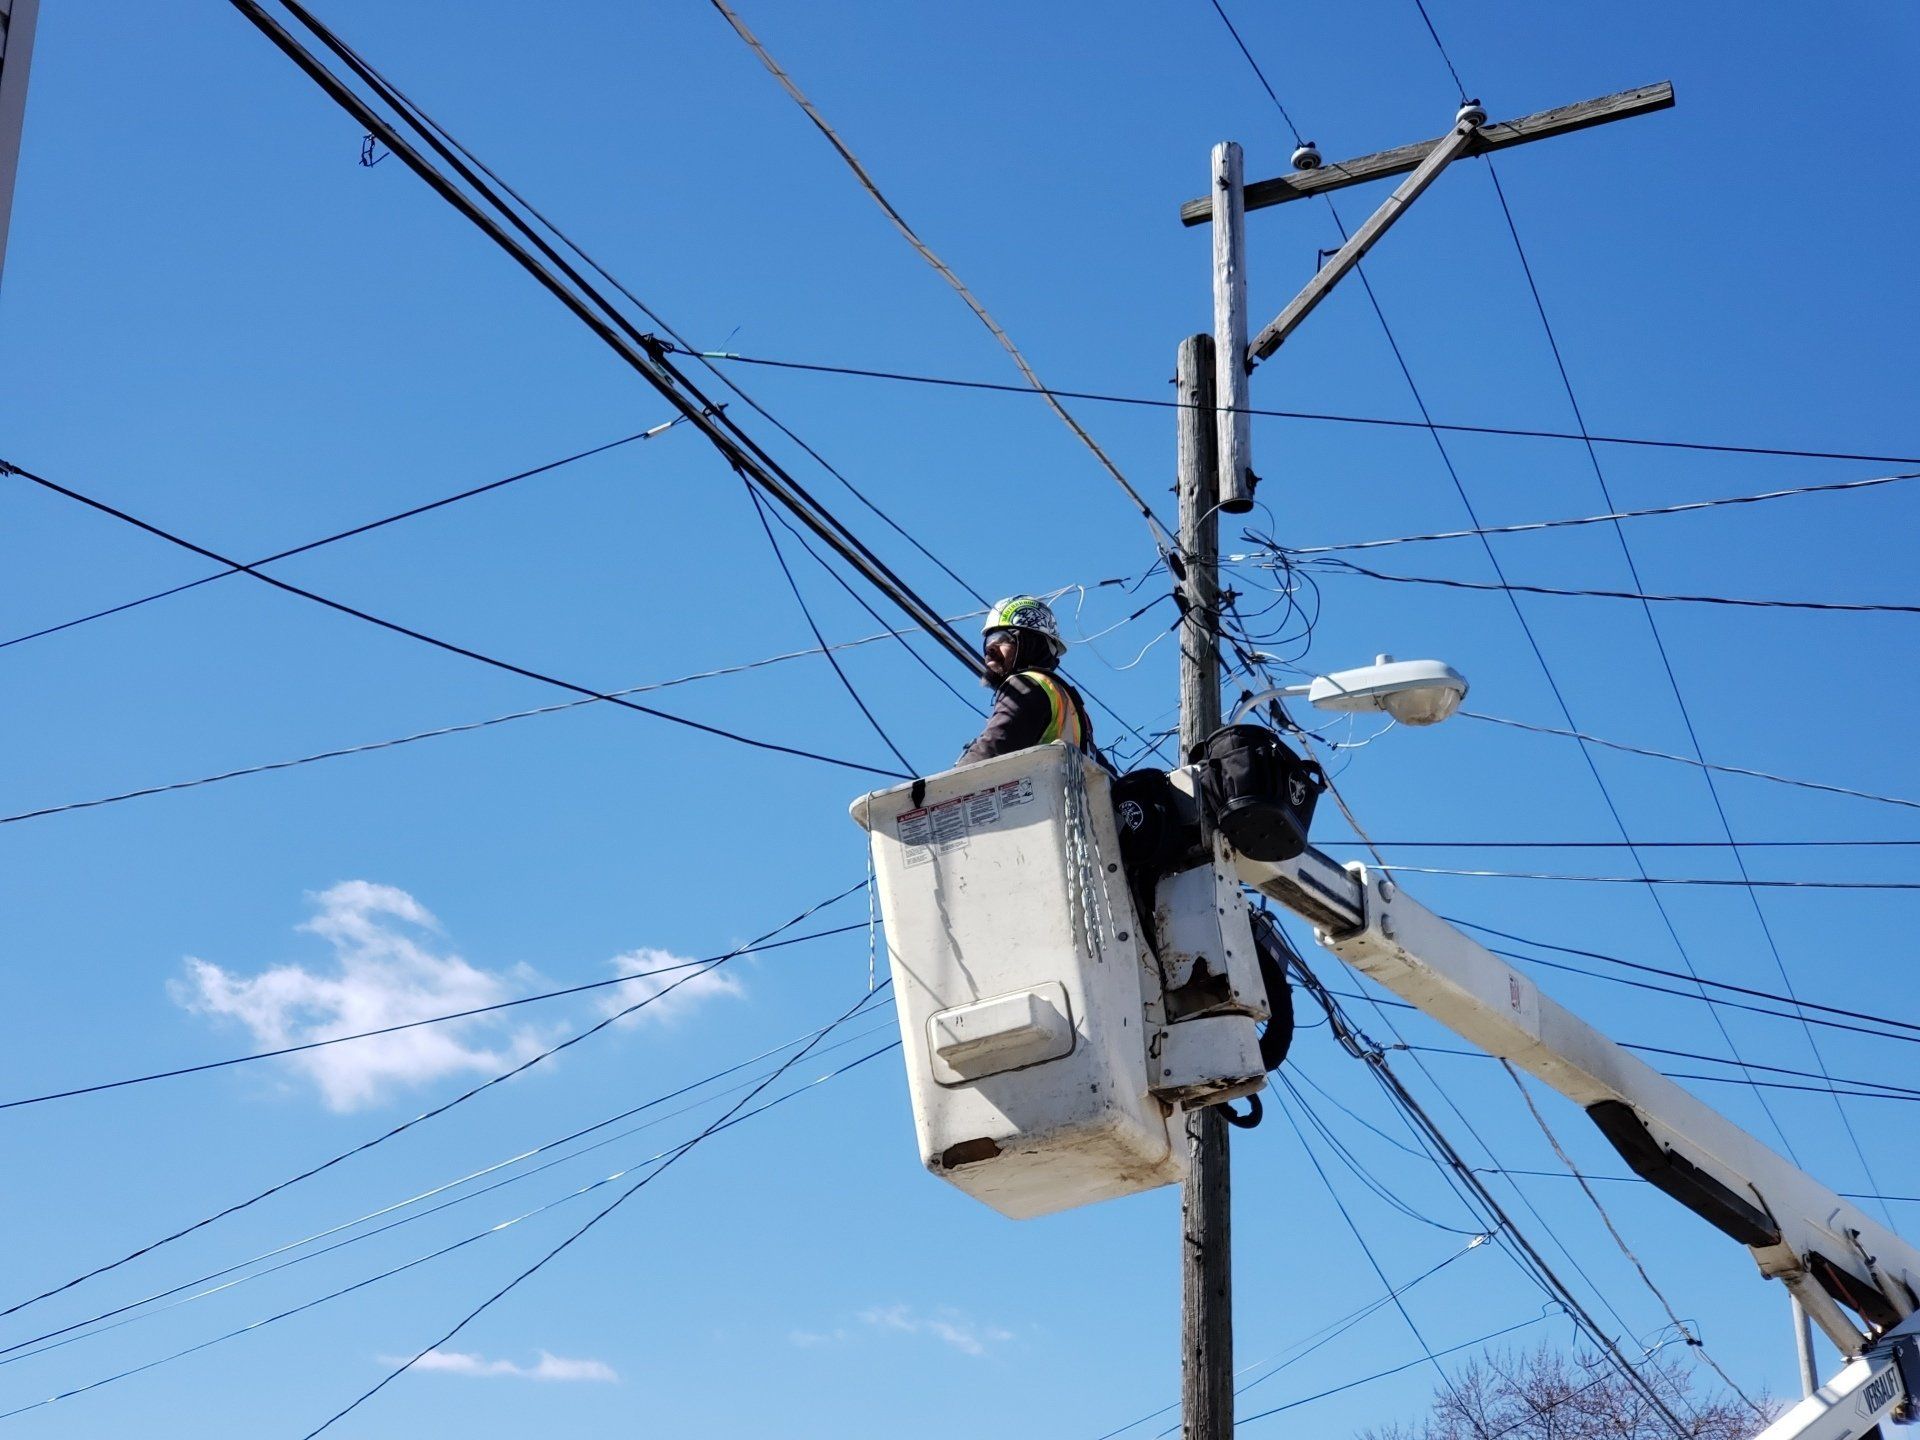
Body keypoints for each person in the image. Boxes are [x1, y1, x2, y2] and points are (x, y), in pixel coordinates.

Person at [955, 595, 1095, 766]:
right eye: (988, 641)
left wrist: (942, 789)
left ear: (1030, 644)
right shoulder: (1070, 704)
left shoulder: (1026, 686)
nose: (990, 648)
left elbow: (992, 749)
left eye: (1002, 638)